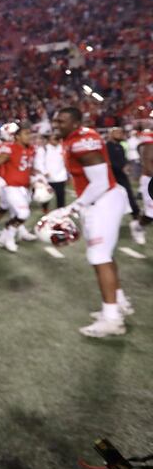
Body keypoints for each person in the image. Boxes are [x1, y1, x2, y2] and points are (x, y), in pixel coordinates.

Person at [53, 107, 133, 338]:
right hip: (101, 200)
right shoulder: (73, 138)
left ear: (77, 122)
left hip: (103, 199)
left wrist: (71, 208)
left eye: (63, 121)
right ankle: (119, 302)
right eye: (56, 120)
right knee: (104, 254)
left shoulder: (82, 141)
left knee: (99, 257)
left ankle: (112, 319)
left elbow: (98, 183)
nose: (57, 124)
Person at [0, 122, 37, 253]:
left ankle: (2, 239)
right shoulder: (10, 148)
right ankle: (8, 239)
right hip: (11, 187)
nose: (29, 136)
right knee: (22, 213)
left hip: (24, 187)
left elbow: (29, 168)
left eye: (30, 133)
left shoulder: (31, 148)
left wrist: (37, 180)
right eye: (26, 133)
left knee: (17, 213)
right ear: (17, 136)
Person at [107, 128, 145, 245]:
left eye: (121, 132)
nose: (121, 134)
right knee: (110, 207)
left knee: (132, 203)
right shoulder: (107, 146)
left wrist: (126, 165)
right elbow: (110, 163)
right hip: (112, 180)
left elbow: (123, 161)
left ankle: (137, 228)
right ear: (111, 134)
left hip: (122, 179)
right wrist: (121, 168)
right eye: (118, 132)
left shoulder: (120, 146)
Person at [41, 134, 68, 209]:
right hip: (48, 177)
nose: (56, 141)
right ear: (49, 140)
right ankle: (45, 208)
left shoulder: (63, 148)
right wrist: (44, 172)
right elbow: (40, 162)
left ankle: (61, 212)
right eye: (53, 139)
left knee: (60, 196)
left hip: (60, 177)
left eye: (57, 139)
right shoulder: (44, 149)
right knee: (46, 196)